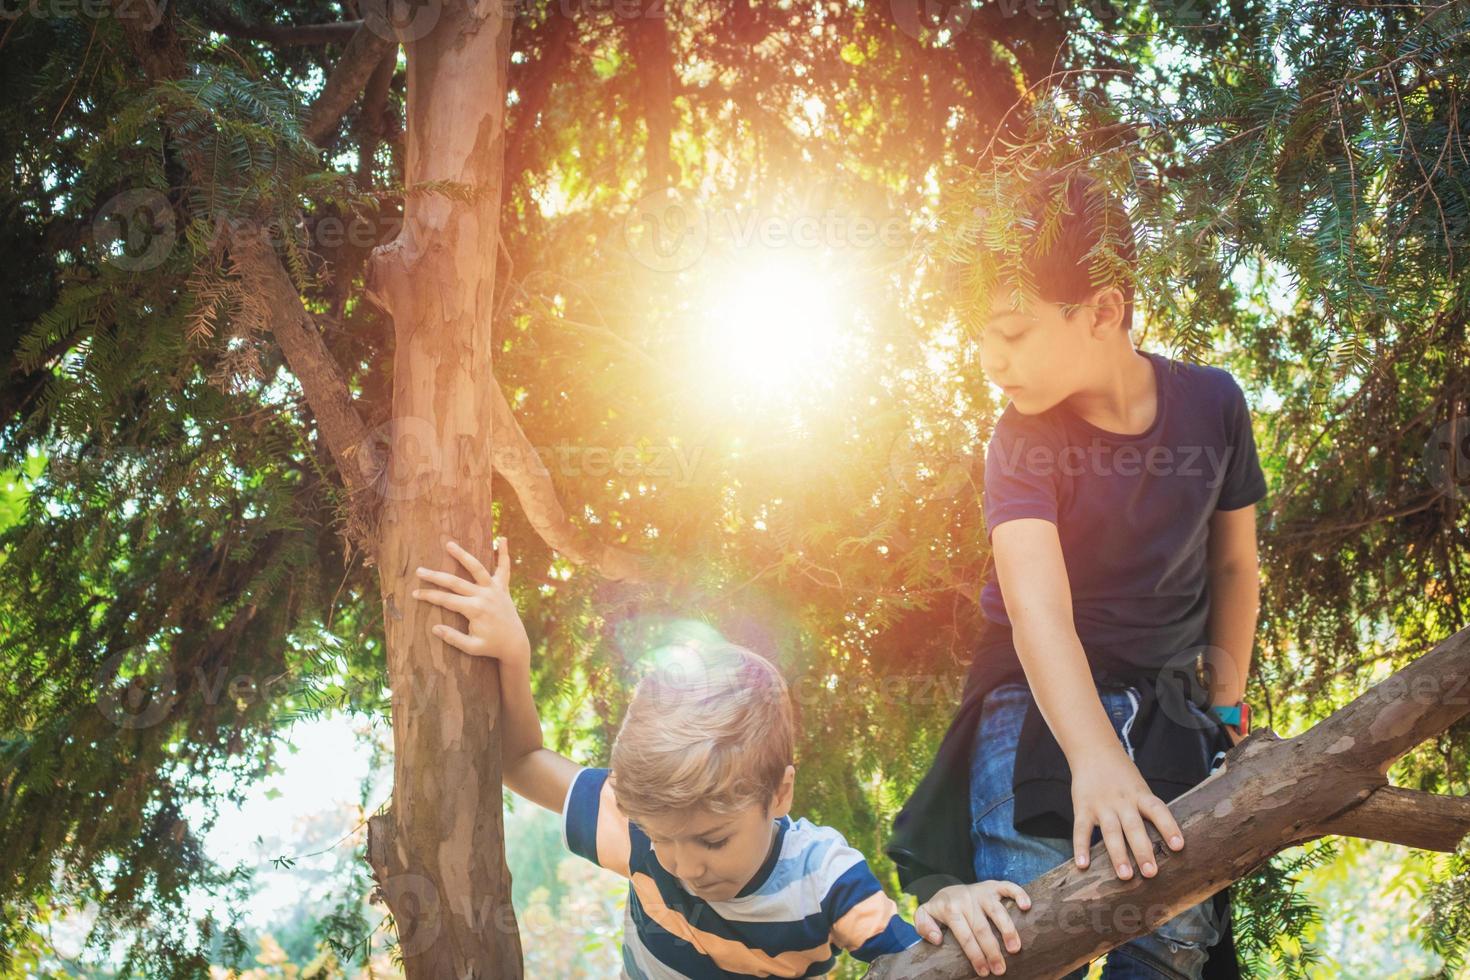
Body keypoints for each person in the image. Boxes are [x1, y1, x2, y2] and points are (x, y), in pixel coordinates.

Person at [888, 167, 1266, 979]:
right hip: (1035, 705)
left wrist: (1228, 705)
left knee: (1172, 941)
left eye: (1014, 332)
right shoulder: (1022, 439)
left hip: (1169, 709)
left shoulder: (1215, 405)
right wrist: (1096, 758)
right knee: (1028, 934)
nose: (991, 359)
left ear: (1103, 309)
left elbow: (1235, 567)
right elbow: (1038, 617)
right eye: (981, 334)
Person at [412, 537, 1033, 978]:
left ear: (780, 795)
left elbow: (911, 956)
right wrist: (513, 653)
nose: (685, 866)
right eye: (663, 839)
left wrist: (948, 905)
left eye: (711, 840)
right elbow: (520, 760)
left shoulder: (823, 878)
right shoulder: (638, 828)